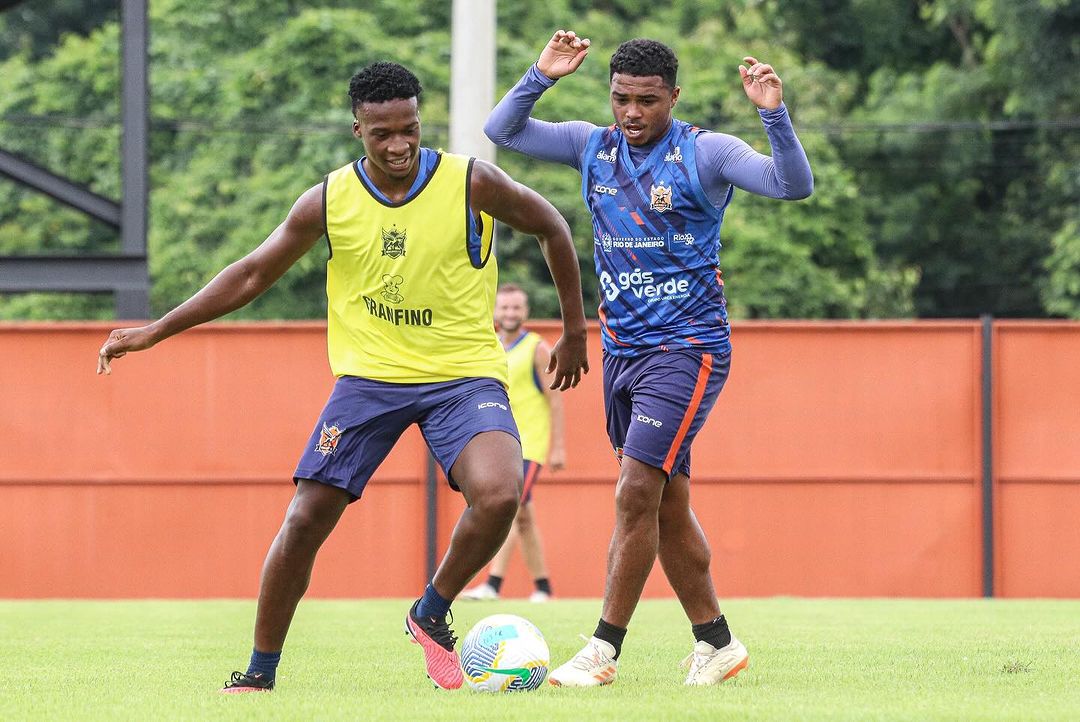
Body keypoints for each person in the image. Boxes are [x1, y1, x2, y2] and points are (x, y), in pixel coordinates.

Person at [96, 61, 589, 692]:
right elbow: (251, 275)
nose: (398, 145)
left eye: (409, 128)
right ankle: (258, 673)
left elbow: (553, 225)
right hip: (369, 381)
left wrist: (575, 333)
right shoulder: (329, 199)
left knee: (499, 495)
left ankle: (431, 611)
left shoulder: (472, 182)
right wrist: (156, 330)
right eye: (381, 132)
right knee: (305, 519)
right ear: (357, 127)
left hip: (463, 376)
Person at [484, 31, 813, 687]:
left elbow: (790, 185)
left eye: (647, 101)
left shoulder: (706, 152)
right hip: (622, 353)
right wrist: (541, 75)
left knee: (635, 490)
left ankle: (602, 650)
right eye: (621, 99)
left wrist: (773, 114)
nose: (633, 114)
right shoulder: (592, 146)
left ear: (674, 97)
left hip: (688, 349)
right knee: (665, 503)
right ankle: (716, 642)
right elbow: (504, 129)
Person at [460, 283, 566, 603]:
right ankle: (544, 587)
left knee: (511, 507)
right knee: (524, 516)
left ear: (526, 311)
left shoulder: (537, 348)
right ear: (494, 311)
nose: (510, 313)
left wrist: (558, 447)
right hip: (502, 441)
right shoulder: (489, 346)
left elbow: (555, 399)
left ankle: (492, 583)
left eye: (516, 307)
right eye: (504, 307)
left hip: (531, 444)